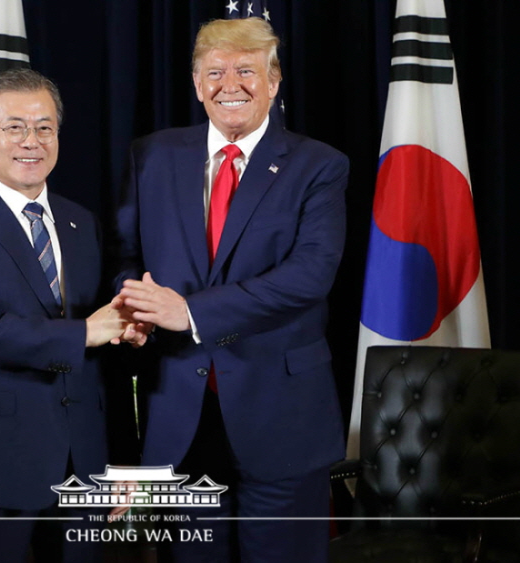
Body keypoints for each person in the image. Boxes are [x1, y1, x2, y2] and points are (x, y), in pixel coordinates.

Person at [114, 17, 349, 562]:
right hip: (180, 413)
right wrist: (136, 310)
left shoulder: (319, 165)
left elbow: (309, 275)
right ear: (197, 85)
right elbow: (124, 257)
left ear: (274, 80)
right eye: (215, 72)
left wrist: (187, 312)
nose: (230, 84)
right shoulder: (150, 155)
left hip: (283, 416)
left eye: (246, 70)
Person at [0, 68, 139, 563]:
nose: (31, 141)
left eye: (44, 127)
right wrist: (84, 332)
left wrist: (124, 459)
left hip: (85, 464)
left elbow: (108, 358)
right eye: (14, 126)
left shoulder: (84, 224)